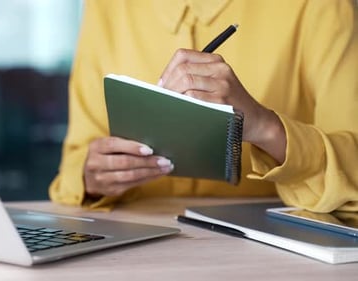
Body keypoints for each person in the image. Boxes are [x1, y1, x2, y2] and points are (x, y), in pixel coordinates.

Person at [48, 0, 358, 212]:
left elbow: (353, 167)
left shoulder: (320, 6)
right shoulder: (108, 6)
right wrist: (93, 177)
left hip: (275, 245)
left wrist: (263, 126)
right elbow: (77, 161)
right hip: (134, 242)